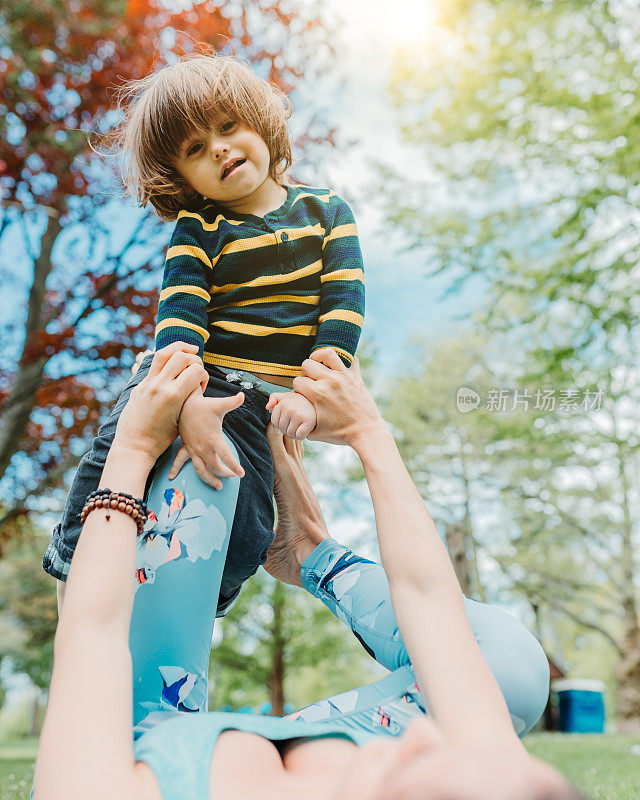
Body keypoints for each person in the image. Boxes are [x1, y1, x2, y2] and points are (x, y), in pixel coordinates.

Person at [33, 343, 583, 800]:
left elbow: (92, 633)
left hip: (149, 721)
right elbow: (428, 598)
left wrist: (133, 445)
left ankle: (279, 526)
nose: (423, 740)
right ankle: (308, 550)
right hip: (345, 740)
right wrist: (367, 431)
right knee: (509, 668)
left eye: (414, 778)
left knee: (199, 461)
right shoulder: (464, 759)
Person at [42, 50, 365, 620]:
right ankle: (75, 573)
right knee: (113, 457)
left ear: (260, 122)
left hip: (259, 402)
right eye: (194, 149)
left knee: (247, 530)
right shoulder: (200, 229)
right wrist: (187, 397)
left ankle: (181, 605)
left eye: (227, 126)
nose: (217, 147)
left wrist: (310, 398)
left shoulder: (326, 213)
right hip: (192, 372)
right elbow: (180, 320)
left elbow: (341, 313)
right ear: (182, 178)